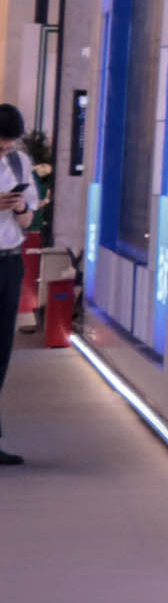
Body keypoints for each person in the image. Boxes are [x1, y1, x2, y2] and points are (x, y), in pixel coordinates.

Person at [0, 105, 34, 463]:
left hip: (9, 262)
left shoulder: (19, 164)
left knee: (1, 352)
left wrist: (20, 207)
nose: (5, 151)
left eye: (10, 145)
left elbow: (28, 221)